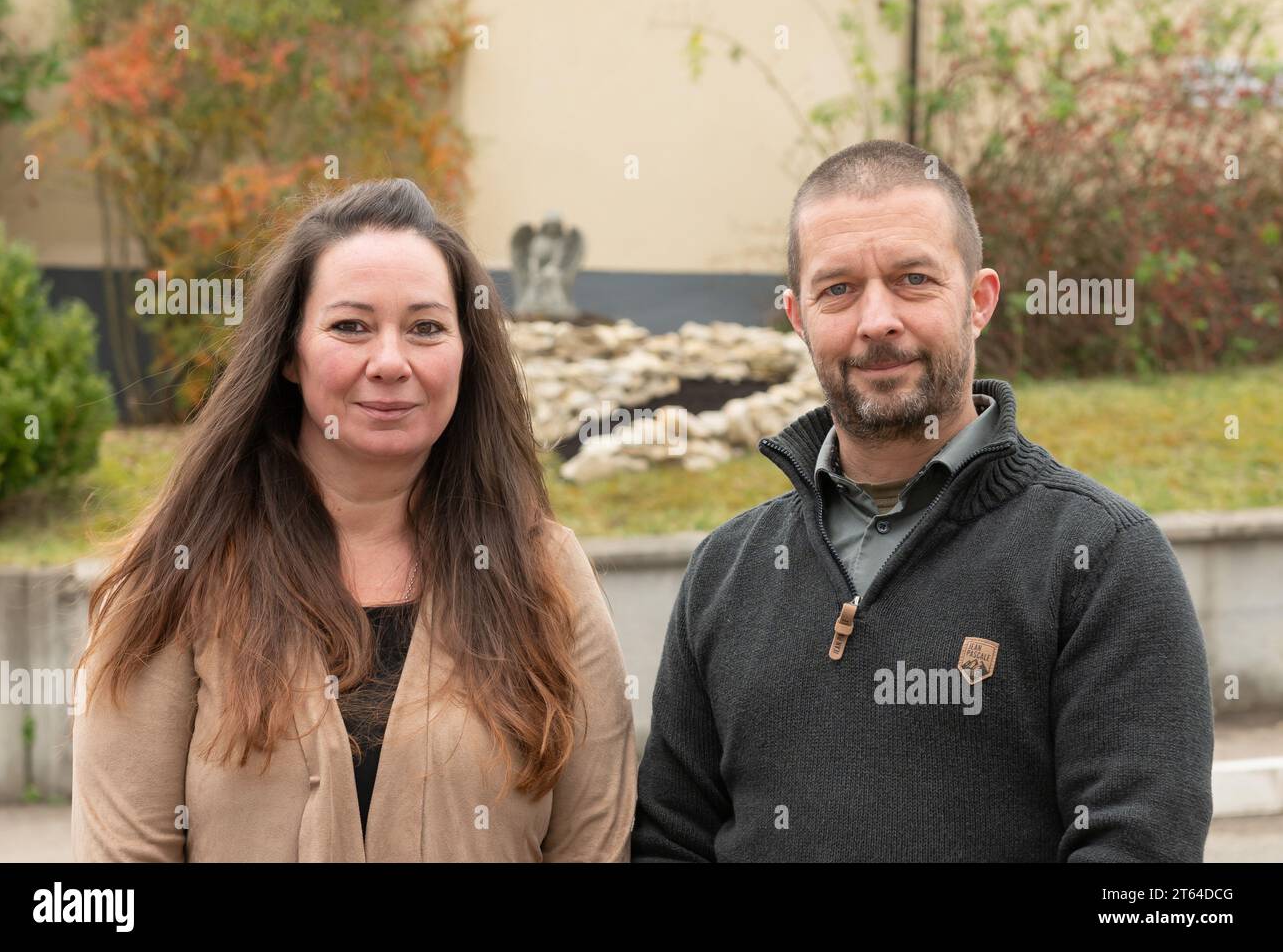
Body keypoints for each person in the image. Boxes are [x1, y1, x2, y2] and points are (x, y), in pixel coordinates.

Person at [632, 140, 1214, 862]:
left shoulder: (1101, 559)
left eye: (912, 279)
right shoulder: (725, 573)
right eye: (837, 289)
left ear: (979, 300)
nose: (876, 319)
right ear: (797, 317)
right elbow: (671, 841)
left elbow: (1138, 860)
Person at [72, 178, 637, 862]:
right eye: (350, 326)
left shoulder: (544, 573)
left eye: (427, 328)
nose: (391, 362)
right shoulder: (179, 574)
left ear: (466, 352)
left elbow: (596, 847)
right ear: (287, 353)